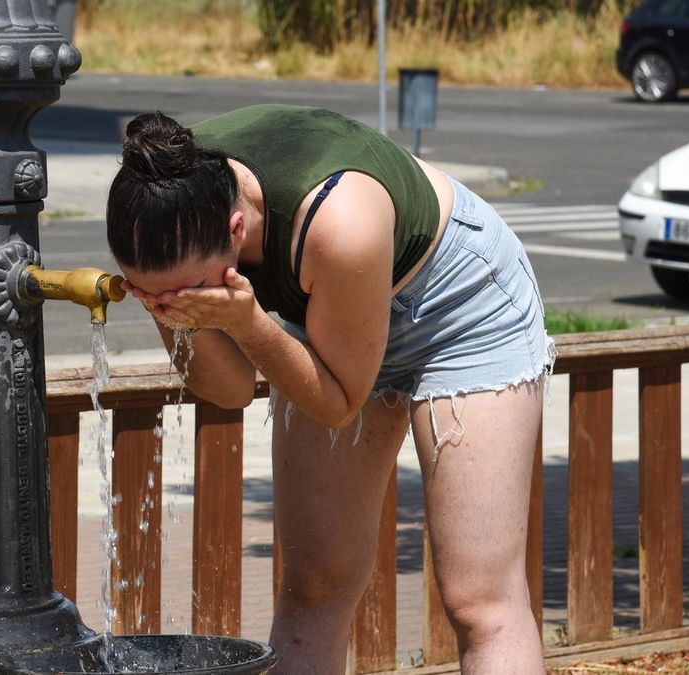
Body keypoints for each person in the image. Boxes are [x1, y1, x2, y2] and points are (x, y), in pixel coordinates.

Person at [106, 104, 552, 674]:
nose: (178, 307)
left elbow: (340, 404)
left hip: (459, 305)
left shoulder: (340, 223)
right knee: (316, 581)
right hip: (329, 307)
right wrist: (170, 309)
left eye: (188, 292)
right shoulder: (162, 199)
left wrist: (246, 323)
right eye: (152, 295)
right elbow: (231, 390)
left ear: (236, 231)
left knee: (477, 597)